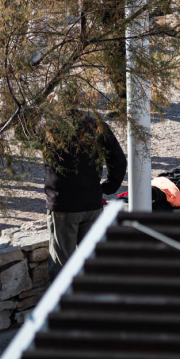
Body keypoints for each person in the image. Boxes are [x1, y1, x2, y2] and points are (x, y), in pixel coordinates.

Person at [44, 109, 127, 278]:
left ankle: (64, 303)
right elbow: (118, 160)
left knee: (62, 266)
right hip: (92, 202)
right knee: (92, 263)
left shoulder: (49, 126)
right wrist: (108, 188)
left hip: (63, 206)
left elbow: (20, 130)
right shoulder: (96, 125)